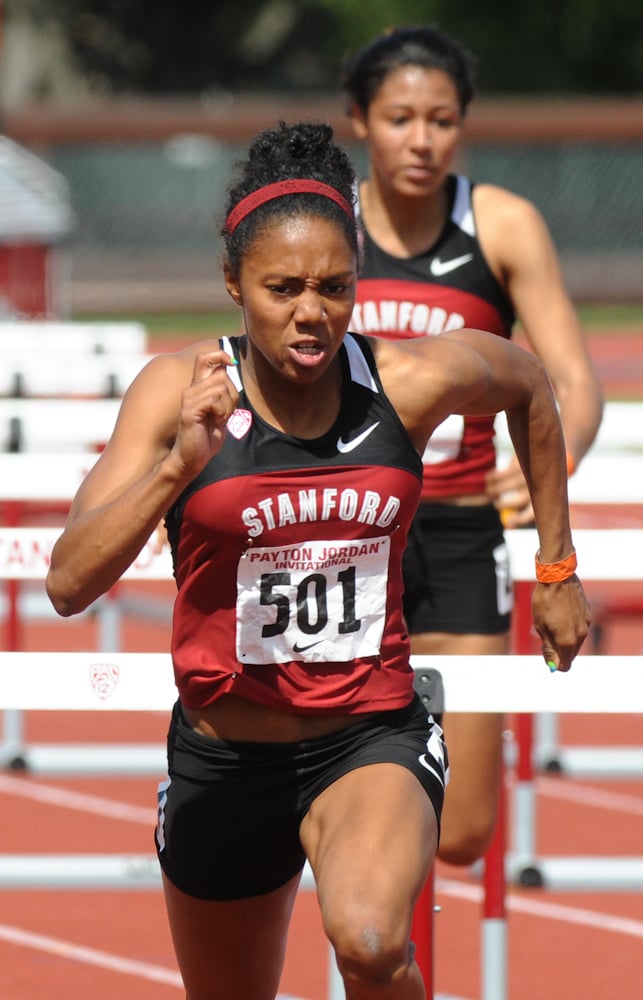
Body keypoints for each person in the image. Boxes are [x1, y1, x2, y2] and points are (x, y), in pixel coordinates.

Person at [46, 120, 591, 1000]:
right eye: (284, 288)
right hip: (224, 756)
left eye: (336, 288)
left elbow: (526, 382)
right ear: (232, 283)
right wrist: (179, 468)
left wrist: (556, 571)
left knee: (370, 942)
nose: (313, 313)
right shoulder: (173, 392)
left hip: (366, 736)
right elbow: (69, 583)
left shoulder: (403, 385)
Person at [341, 25, 604, 866]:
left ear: (463, 125)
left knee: (459, 831)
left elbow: (572, 382)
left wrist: (550, 471)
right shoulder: (323, 224)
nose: (420, 140)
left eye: (441, 119)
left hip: (458, 532)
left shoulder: (500, 225)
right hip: (340, 534)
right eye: (398, 118)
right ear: (358, 121)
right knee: (329, 792)